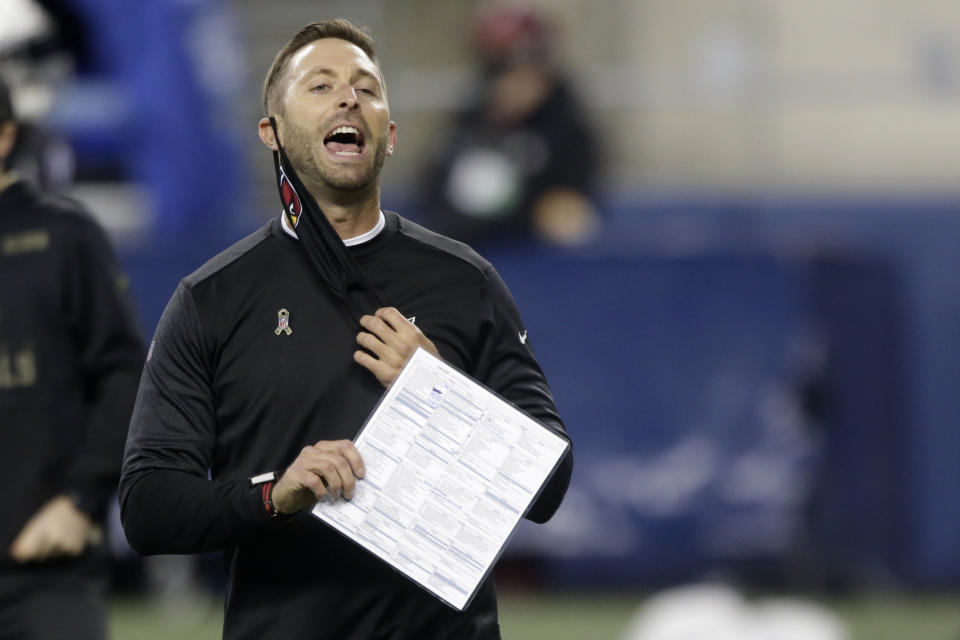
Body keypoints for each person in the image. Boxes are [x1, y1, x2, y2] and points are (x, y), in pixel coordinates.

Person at [119, 18, 572, 640]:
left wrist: (439, 392)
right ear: (270, 133)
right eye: (320, 85)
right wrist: (275, 495)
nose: (348, 97)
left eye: (366, 86)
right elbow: (148, 508)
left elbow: (549, 484)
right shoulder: (211, 300)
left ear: (388, 133)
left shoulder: (464, 282)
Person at [0, 75, 144, 638]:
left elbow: (124, 374)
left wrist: (80, 500)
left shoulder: (63, 235)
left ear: (6, 136)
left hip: (44, 573)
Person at [416, 4, 601, 246]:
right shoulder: (469, 121)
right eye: (499, 71)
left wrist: (556, 208)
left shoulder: (566, 128)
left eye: (530, 69)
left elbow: (575, 204)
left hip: (534, 254)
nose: (514, 84)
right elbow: (433, 187)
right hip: (469, 248)